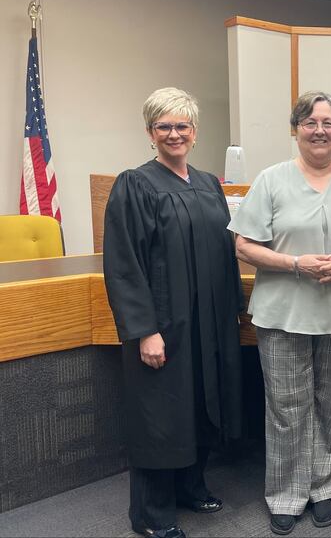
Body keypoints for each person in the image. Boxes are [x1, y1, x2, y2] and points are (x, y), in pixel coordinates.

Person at [228, 91, 331, 536]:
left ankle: (324, 487)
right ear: (296, 129)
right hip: (283, 310)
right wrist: (296, 263)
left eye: (328, 123)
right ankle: (286, 494)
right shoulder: (271, 180)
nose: (320, 131)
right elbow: (244, 246)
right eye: (310, 123)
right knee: (287, 405)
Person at [103, 87, 244, 538]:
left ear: (195, 131)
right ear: (150, 133)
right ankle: (151, 513)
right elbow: (124, 264)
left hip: (208, 323)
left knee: (200, 404)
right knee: (161, 415)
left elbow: (225, 251)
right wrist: (144, 330)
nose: (174, 134)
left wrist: (233, 309)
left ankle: (191, 486)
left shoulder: (208, 184)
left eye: (182, 125)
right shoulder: (135, 184)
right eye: (163, 126)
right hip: (165, 325)